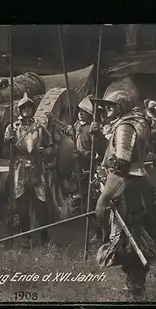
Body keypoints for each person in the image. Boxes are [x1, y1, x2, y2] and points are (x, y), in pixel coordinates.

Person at [89, 89, 156, 301]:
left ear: (122, 107)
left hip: (126, 181)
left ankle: (134, 286)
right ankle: (134, 284)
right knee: (137, 231)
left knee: (114, 219)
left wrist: (105, 189)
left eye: (111, 106)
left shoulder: (125, 126)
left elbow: (122, 162)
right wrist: (97, 138)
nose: (106, 110)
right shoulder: (137, 120)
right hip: (139, 179)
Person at [47, 97, 107, 243]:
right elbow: (67, 130)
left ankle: (98, 230)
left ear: (90, 114)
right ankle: (84, 221)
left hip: (90, 166)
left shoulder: (92, 129)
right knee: (80, 195)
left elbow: (99, 151)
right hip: (78, 166)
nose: (80, 114)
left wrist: (83, 154)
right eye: (79, 111)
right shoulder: (77, 126)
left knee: (94, 198)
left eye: (84, 112)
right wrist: (54, 120)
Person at [4, 92, 55, 249]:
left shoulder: (39, 127)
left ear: (33, 109)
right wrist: (9, 142)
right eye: (23, 107)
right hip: (19, 169)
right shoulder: (12, 127)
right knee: (21, 204)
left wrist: (44, 152)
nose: (26, 109)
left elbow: (50, 146)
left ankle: (44, 237)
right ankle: (26, 237)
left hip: (36, 167)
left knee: (41, 203)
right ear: (19, 110)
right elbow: (6, 153)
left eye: (29, 107)